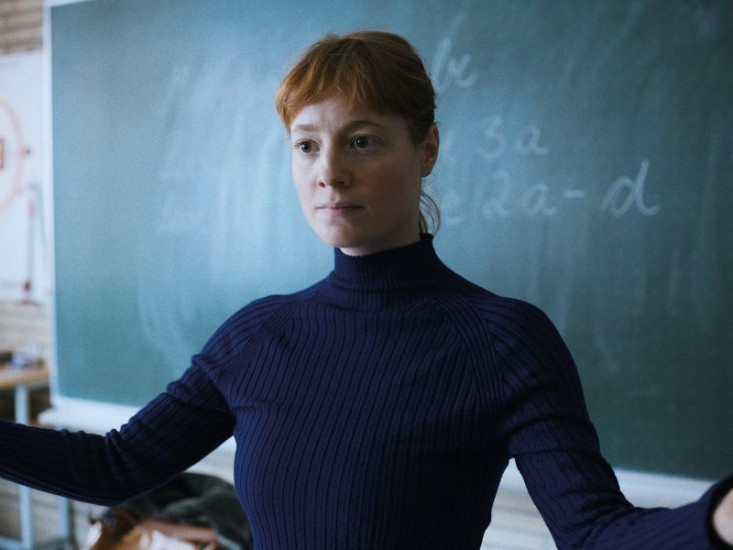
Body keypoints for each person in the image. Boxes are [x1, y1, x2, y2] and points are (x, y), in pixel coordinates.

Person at [1, 31, 732, 550]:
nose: (329, 172)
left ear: (427, 149)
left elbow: (595, 531)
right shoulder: (258, 336)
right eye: (306, 145)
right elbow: (116, 466)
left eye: (362, 140)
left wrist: (716, 520)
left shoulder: (503, 341)